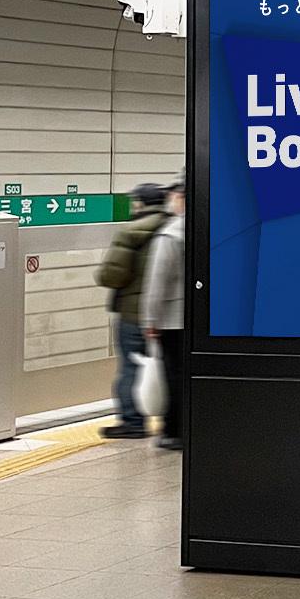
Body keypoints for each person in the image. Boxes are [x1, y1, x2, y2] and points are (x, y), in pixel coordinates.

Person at [95, 182, 170, 439]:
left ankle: (133, 421)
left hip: (133, 313)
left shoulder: (131, 232)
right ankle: (170, 418)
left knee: (131, 366)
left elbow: (111, 276)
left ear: (139, 203)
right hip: (168, 313)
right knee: (168, 365)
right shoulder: (176, 227)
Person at [140, 175, 186, 451]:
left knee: (174, 376)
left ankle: (174, 431)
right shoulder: (208, 228)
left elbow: (156, 282)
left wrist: (150, 320)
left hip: (171, 319)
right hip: (198, 319)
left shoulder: (170, 235)